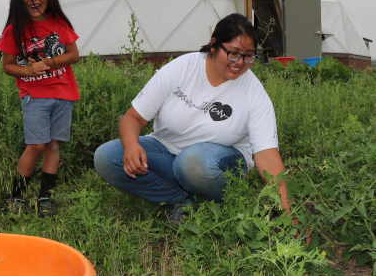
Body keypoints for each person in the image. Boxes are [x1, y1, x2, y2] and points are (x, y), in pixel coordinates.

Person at [94, 13, 292, 225]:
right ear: (214, 45)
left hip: (217, 164)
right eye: (234, 54)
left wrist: (288, 212)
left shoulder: (254, 93)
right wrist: (132, 146)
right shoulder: (183, 68)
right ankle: (184, 201)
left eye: (249, 56)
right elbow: (132, 118)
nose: (240, 63)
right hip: (167, 151)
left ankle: (216, 198)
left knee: (193, 162)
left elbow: (267, 154)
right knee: (107, 156)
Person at [0, 0, 80, 216]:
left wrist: (50, 63)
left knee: (54, 145)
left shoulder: (60, 23)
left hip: (64, 94)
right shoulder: (14, 30)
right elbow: (8, 66)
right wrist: (29, 72)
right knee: (36, 146)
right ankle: (17, 197)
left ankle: (45, 198)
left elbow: (73, 55)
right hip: (35, 97)